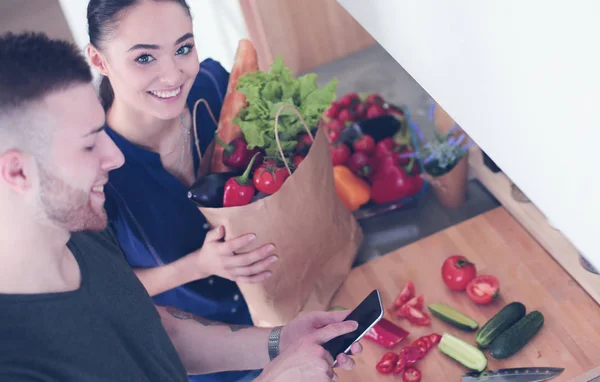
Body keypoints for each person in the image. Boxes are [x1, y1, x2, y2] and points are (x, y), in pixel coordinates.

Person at [0, 31, 362, 382]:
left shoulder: (78, 236)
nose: (115, 156)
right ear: (18, 171)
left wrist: (280, 341)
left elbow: (159, 332)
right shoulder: (14, 360)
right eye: (89, 144)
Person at [85, 1, 273, 379]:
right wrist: (199, 266)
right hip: (211, 364)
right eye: (144, 59)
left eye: (183, 49)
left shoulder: (219, 87)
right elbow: (103, 287)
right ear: (100, 60)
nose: (172, 76)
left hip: (293, 306)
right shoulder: (93, 170)